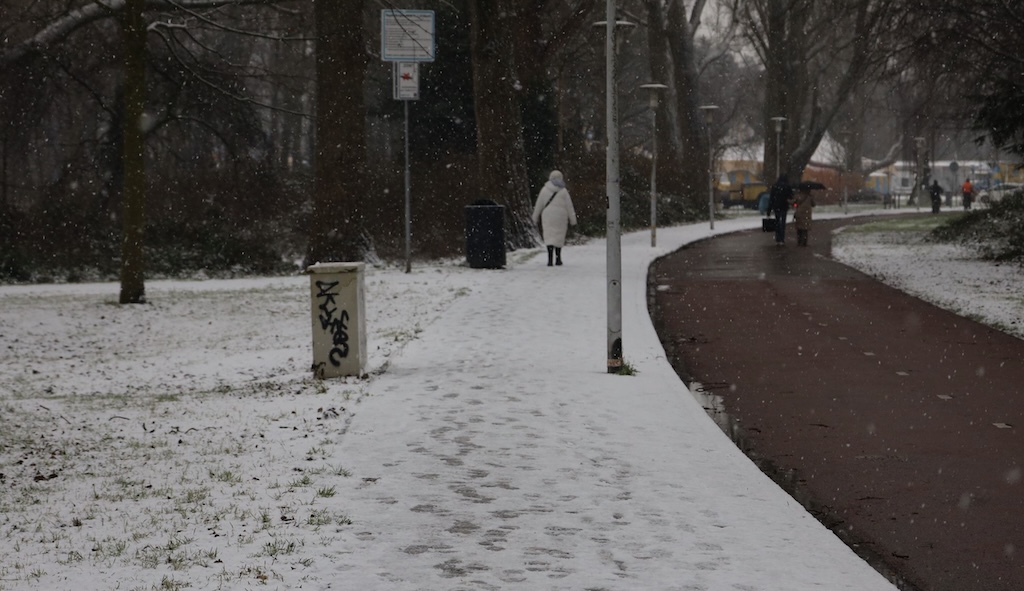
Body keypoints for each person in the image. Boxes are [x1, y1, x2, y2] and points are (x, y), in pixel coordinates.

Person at [532, 170, 577, 266]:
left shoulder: (544, 190)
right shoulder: (564, 191)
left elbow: (538, 205)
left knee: (549, 236)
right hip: (561, 216)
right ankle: (558, 258)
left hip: (548, 215)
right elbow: (569, 206)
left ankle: (550, 259)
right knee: (559, 236)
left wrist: (535, 218)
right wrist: (573, 220)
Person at [767, 174, 793, 245]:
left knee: (777, 222)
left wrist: (769, 210)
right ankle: (782, 238)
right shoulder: (787, 187)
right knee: (783, 222)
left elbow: (771, 198)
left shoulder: (775, 186)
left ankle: (778, 238)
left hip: (776, 206)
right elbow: (791, 196)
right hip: (784, 206)